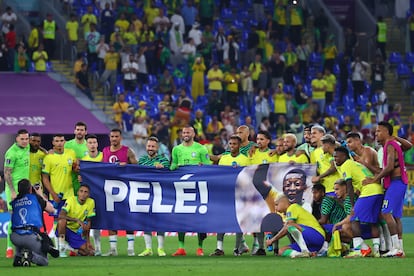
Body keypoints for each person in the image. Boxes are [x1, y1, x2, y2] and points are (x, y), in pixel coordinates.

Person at [363, 121, 412, 257]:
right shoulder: (394, 144)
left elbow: (389, 167)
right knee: (395, 216)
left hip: (396, 182)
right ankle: (400, 249)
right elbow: (409, 146)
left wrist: (374, 179)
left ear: (386, 132)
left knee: (386, 212)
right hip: (399, 182)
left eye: (378, 131)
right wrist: (395, 137)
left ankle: (396, 249)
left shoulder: (390, 145)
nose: (376, 134)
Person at [334, 146, 383, 258]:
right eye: (334, 157)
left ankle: (358, 250)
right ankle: (376, 250)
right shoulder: (356, 164)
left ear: (344, 156)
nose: (335, 159)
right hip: (378, 190)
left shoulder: (346, 164)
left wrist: (352, 205)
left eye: (337, 156)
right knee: (373, 222)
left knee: (354, 219)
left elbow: (349, 185)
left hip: (369, 192)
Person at [170, 126, 210, 256]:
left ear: (193, 134)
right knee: (180, 216)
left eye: (188, 132)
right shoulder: (176, 149)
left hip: (197, 188)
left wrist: (202, 166)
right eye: (184, 132)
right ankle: (181, 248)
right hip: (182, 188)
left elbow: (209, 166)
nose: (185, 134)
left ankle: (200, 248)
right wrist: (175, 166)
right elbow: (172, 166)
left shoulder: (201, 149)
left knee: (198, 217)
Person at [210, 135, 250, 257]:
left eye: (234, 144)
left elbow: (248, 178)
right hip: (226, 195)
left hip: (239, 194)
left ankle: (237, 249)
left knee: (238, 221)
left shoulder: (245, 159)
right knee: (222, 220)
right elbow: (219, 176)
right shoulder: (224, 159)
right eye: (230, 144)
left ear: (239, 146)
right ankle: (219, 248)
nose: (232, 146)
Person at [102, 128, 137, 256]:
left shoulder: (127, 151)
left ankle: (131, 248)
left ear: (120, 138)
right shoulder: (105, 151)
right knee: (111, 219)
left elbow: (137, 168)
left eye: (116, 136)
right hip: (110, 190)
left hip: (126, 189)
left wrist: (126, 166)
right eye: (112, 136)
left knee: (127, 218)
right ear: (109, 138)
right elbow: (100, 169)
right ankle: (113, 249)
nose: (114, 139)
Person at [11, 179, 58, 266]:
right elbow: (51, 209)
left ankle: (18, 256)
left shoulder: (15, 201)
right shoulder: (35, 198)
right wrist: (39, 193)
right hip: (30, 237)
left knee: (20, 228)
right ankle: (30, 256)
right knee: (44, 261)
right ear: (30, 189)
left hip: (14, 238)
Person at [137, 137, 170, 257]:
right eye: (149, 146)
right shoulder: (142, 160)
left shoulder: (163, 160)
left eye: (153, 146)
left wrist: (162, 169)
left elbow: (168, 171)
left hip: (160, 195)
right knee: (146, 221)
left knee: (159, 221)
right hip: (145, 194)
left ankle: (160, 248)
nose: (150, 148)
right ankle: (148, 249)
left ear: (157, 148)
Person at [4, 129, 30, 258]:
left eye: (27, 139)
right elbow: (7, 173)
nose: (25, 141)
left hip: (25, 189)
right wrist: (13, 191)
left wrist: (46, 151)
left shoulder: (27, 146)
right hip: (13, 190)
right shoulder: (11, 153)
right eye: (22, 139)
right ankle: (9, 247)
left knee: (24, 219)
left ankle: (23, 246)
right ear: (16, 139)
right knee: (13, 218)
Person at [57, 184, 95, 257]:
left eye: (85, 192)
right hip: (65, 229)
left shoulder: (91, 202)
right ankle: (61, 248)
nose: (83, 194)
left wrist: (88, 242)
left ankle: (73, 250)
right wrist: (76, 220)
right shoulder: (71, 200)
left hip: (75, 232)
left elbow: (88, 222)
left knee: (89, 253)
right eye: (81, 191)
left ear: (88, 194)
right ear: (77, 193)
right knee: (62, 221)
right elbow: (61, 215)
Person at [80, 134, 103, 256]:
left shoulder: (103, 157)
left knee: (99, 222)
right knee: (87, 221)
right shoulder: (84, 160)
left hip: (102, 194)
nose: (92, 145)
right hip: (88, 196)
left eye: (94, 142)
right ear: (86, 144)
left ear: (97, 144)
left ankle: (98, 248)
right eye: (90, 143)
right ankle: (85, 246)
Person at [64, 122, 88, 195]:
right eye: (78, 130)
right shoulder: (67, 145)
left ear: (86, 132)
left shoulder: (89, 145)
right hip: (69, 179)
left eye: (82, 130)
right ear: (74, 131)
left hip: (84, 179)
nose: (79, 132)